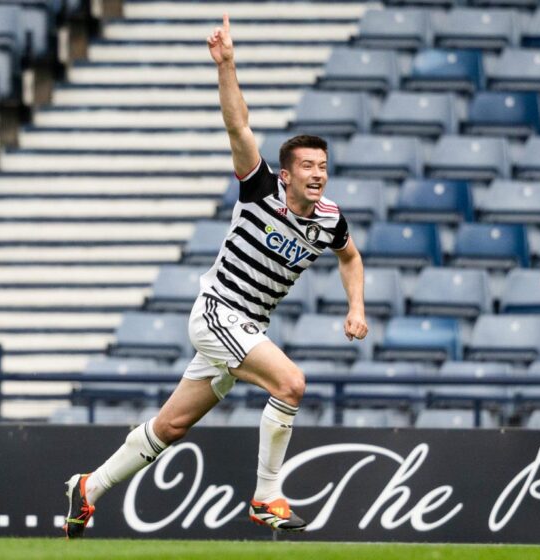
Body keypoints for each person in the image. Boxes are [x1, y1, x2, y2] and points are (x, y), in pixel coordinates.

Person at [63, 13, 368, 539]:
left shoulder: (329, 220)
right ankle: (266, 494)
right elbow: (238, 126)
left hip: (245, 327)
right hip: (218, 313)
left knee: (171, 426)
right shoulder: (260, 190)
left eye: (324, 165)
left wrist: (356, 307)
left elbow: (351, 257)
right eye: (310, 166)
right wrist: (226, 66)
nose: (319, 173)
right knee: (291, 383)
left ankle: (87, 489)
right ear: (287, 172)